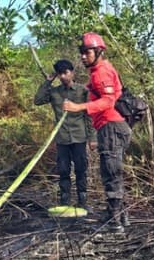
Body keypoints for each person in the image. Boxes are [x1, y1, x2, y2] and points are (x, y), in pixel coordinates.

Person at [62, 32, 132, 232]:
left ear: (98, 51)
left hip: (111, 127)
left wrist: (79, 107)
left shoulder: (101, 71)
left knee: (111, 173)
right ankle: (120, 216)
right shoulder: (99, 71)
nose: (83, 56)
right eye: (81, 52)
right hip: (111, 127)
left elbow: (108, 100)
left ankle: (116, 221)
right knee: (113, 171)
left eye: (87, 52)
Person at [34, 59, 96, 208]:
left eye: (65, 73)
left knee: (81, 169)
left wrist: (92, 138)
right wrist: (48, 82)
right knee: (63, 171)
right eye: (60, 74)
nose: (63, 76)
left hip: (79, 137)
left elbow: (89, 115)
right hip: (62, 139)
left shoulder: (82, 91)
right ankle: (65, 202)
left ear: (72, 72)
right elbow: (38, 100)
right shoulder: (55, 92)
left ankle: (82, 202)